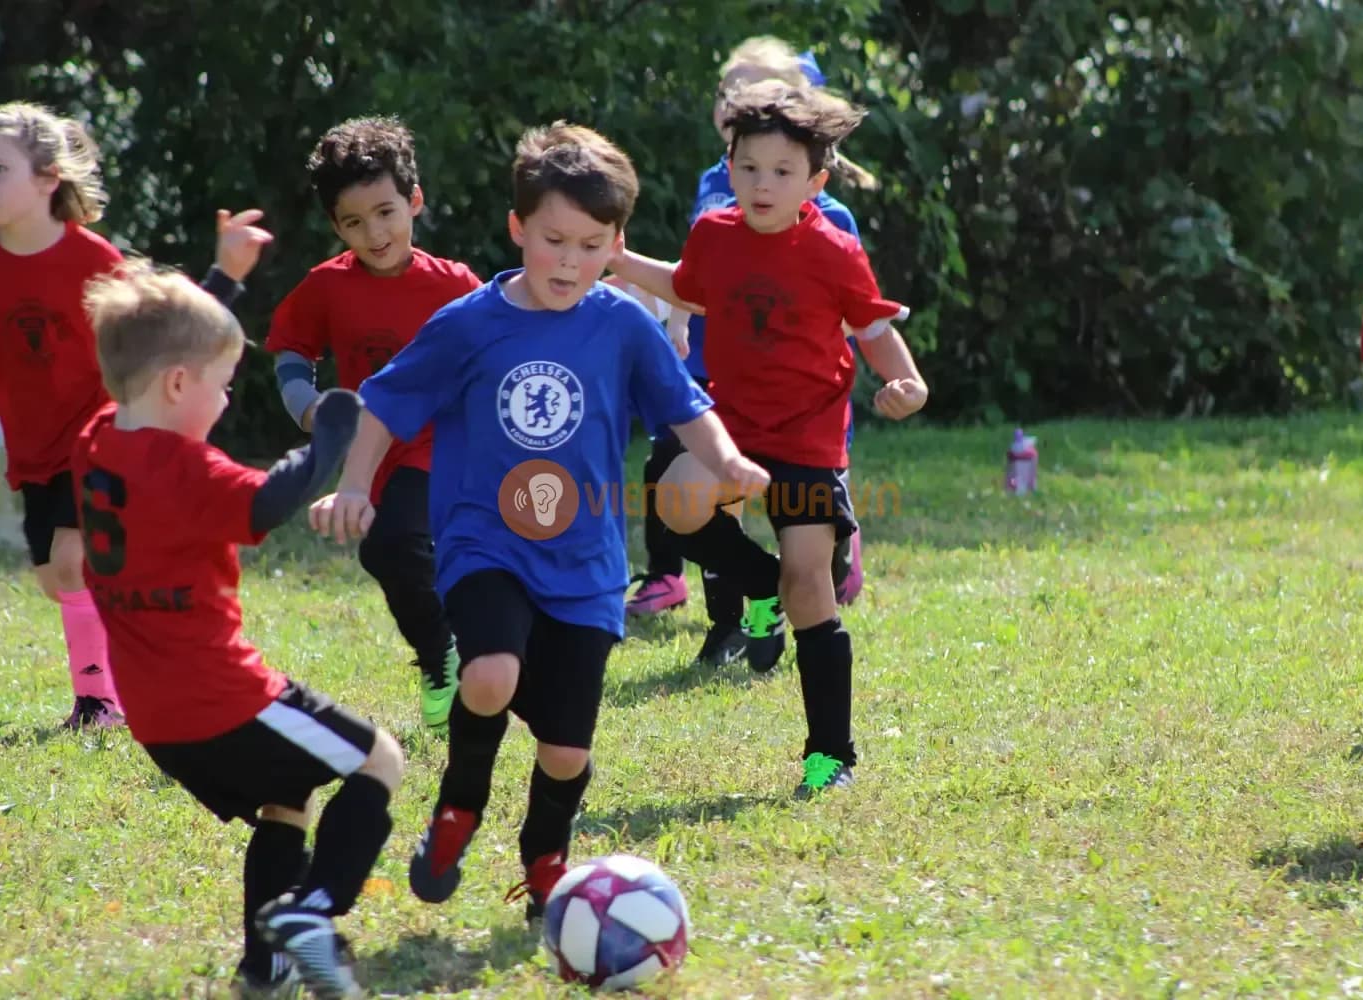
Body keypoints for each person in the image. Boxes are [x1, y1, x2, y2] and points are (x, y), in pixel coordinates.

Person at [309, 121, 767, 921]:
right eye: (553, 240)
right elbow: (382, 403)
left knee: (566, 749)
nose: (568, 262)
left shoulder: (622, 324)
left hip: (586, 559)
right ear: (518, 227)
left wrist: (726, 463)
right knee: (489, 675)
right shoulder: (469, 321)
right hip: (484, 539)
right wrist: (355, 486)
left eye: (592, 246)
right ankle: (458, 808)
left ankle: (545, 859)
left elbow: (685, 407)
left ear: (616, 244)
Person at [74, 261, 402, 1000]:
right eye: (222, 386)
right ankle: (314, 914)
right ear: (179, 385)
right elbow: (270, 501)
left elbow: (143, 364)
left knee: (289, 799)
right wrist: (328, 440)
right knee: (379, 761)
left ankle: (266, 970)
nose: (225, 403)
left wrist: (214, 291)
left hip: (157, 722)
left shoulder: (95, 440)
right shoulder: (191, 470)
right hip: (226, 698)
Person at [609, 80, 929, 797]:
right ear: (728, 167)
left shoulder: (834, 250)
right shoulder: (714, 233)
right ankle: (758, 584)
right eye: (748, 167)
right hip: (732, 429)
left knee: (812, 584)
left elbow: (873, 328)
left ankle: (829, 755)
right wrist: (623, 263)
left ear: (814, 182)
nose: (762, 184)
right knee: (672, 499)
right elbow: (690, 289)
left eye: (782, 172)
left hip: (809, 437)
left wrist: (909, 384)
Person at [0, 100, 269, 730]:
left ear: (47, 180)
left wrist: (223, 274)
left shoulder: (93, 258)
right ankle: (134, 659)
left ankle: (98, 703)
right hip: (33, 446)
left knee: (72, 562)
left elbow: (157, 325)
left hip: (100, 433)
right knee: (56, 576)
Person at [626, 35, 880, 659]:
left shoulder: (831, 220)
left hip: (805, 402)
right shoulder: (714, 190)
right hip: (721, 377)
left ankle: (821, 571)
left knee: (803, 530)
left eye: (755, 89)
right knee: (695, 493)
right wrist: (671, 314)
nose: (734, 100)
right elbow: (695, 275)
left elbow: (854, 312)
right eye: (727, 90)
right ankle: (738, 617)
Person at [266, 116, 481, 735]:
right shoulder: (326, 287)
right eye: (354, 222)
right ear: (336, 226)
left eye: (386, 212)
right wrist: (310, 410)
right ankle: (445, 654)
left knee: (391, 544)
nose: (375, 233)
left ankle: (446, 658)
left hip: (440, 447)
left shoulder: (456, 286)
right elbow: (290, 355)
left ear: (414, 201)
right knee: (389, 555)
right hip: (371, 451)